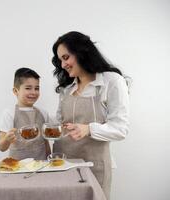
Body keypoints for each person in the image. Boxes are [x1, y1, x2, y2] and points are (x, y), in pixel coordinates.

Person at [51, 31, 130, 200]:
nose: (63, 64)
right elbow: (59, 124)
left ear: (81, 52)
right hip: (62, 164)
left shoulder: (111, 81)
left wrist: (88, 129)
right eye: (60, 60)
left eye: (66, 57)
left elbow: (120, 129)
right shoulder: (66, 88)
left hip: (96, 167)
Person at [0, 67, 51, 160]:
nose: (33, 92)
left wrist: (49, 160)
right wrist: (6, 139)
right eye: (28, 88)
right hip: (18, 168)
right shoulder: (9, 113)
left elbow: (46, 142)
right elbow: (1, 147)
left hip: (41, 166)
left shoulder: (43, 113)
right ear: (15, 91)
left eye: (37, 88)